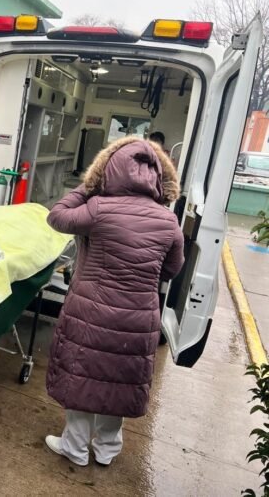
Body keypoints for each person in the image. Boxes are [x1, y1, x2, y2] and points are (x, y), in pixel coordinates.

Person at [44, 135, 184, 467]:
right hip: (139, 317)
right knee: (118, 380)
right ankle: (107, 450)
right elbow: (172, 269)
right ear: (158, 176)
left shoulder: (99, 209)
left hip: (91, 312)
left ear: (109, 170)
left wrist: (89, 186)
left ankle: (75, 447)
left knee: (83, 375)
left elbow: (57, 216)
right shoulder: (169, 221)